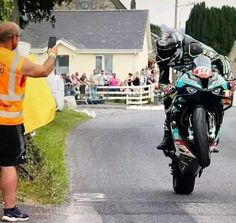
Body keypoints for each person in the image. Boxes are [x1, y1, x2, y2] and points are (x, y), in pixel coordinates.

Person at [0, 21, 58, 222]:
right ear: (13, 39)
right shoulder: (17, 61)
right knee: (8, 164)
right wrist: (52, 54)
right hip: (8, 123)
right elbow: (43, 71)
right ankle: (10, 210)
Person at [156, 29, 234, 152]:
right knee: (169, 99)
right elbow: (162, 80)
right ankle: (168, 135)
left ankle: (215, 133)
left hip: (209, 71)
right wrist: (166, 88)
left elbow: (221, 58)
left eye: (169, 51)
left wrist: (228, 78)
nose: (164, 54)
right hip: (186, 74)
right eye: (161, 51)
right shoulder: (161, 58)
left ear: (178, 46)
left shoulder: (193, 47)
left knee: (217, 98)